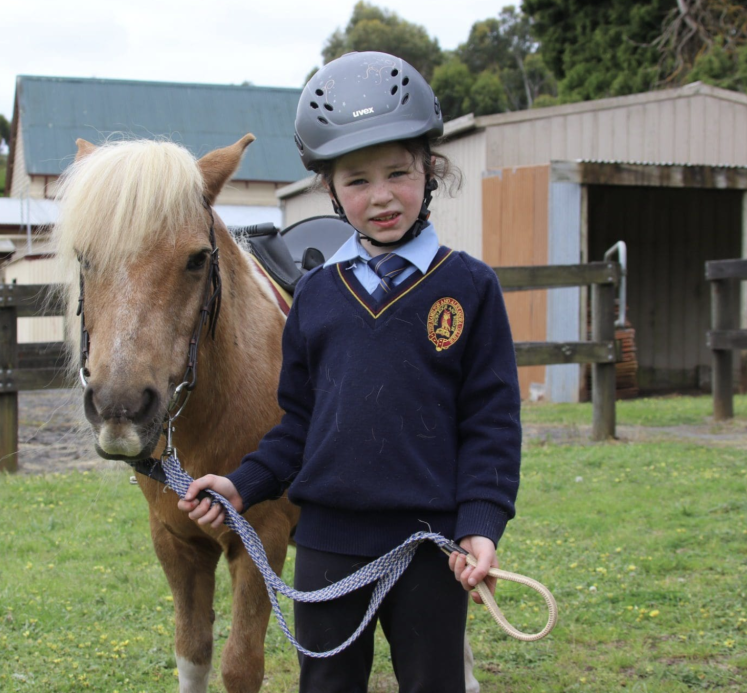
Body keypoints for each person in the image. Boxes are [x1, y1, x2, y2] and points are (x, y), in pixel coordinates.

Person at [179, 51, 521, 692]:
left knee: (434, 683)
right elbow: (297, 423)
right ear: (330, 190)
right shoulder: (315, 295)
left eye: (399, 172)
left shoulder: (471, 288)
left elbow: (491, 424)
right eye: (358, 180)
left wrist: (480, 524)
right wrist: (243, 485)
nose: (383, 195)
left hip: (430, 546)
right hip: (329, 547)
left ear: (430, 169)